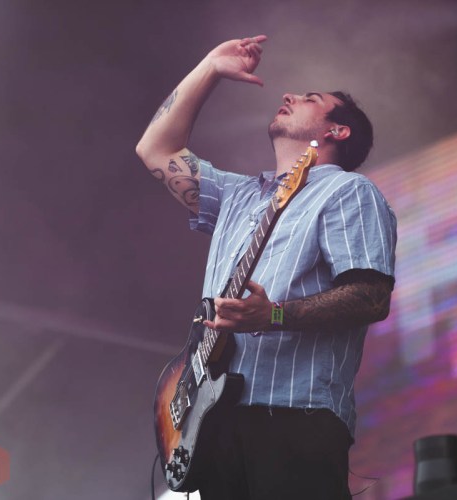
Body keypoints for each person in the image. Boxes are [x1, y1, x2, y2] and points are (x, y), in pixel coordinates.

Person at [136, 35, 397, 500]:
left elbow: (371, 297)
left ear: (337, 132)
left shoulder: (347, 191)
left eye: (310, 99)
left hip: (294, 418)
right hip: (213, 423)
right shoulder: (237, 195)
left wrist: (273, 314)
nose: (289, 95)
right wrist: (211, 67)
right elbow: (155, 148)